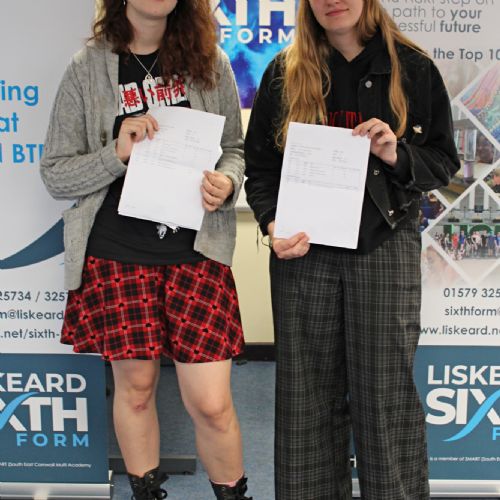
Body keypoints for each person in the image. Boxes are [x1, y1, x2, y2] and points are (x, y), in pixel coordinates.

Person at [244, 0, 459, 497]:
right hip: (304, 254)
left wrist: (395, 152)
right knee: (306, 401)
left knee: (384, 396)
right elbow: (261, 169)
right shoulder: (284, 72)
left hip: (383, 246)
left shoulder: (413, 68)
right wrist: (272, 223)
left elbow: (443, 162)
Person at [40, 1, 252, 499]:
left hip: (195, 253)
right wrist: (117, 152)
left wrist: (227, 181)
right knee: (135, 393)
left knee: (212, 403)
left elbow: (234, 150)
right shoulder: (88, 68)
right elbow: (55, 173)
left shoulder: (210, 61)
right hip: (117, 254)